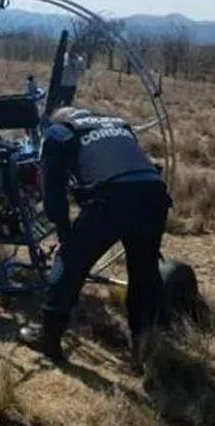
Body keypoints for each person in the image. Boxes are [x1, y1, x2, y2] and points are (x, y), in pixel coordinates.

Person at [20, 107, 170, 362]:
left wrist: (64, 232)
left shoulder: (57, 133)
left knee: (70, 265)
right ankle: (143, 347)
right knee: (144, 272)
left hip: (111, 199)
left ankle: (49, 337)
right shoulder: (119, 124)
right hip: (154, 194)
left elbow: (52, 191)